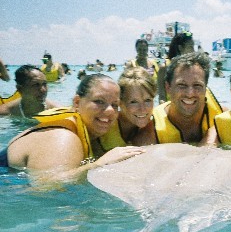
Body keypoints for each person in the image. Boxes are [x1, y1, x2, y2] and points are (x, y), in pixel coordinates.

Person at [5, 73, 145, 185]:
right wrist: (99, 164)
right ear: (77, 102)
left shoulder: (89, 129)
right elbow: (45, 187)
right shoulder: (63, 137)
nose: (109, 111)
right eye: (99, 101)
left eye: (114, 105)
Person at [134, 52, 223, 145]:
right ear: (168, 88)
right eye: (182, 85)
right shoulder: (149, 134)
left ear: (205, 89)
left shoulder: (221, 118)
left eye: (197, 85)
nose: (190, 94)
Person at [96, 67, 157, 155]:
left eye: (147, 100)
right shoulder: (104, 126)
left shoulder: (153, 126)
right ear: (120, 103)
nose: (143, 109)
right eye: (133, 102)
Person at [157, 31, 195, 103]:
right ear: (180, 48)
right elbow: (162, 96)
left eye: (193, 47)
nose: (193, 50)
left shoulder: (192, 67)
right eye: (190, 47)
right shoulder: (164, 68)